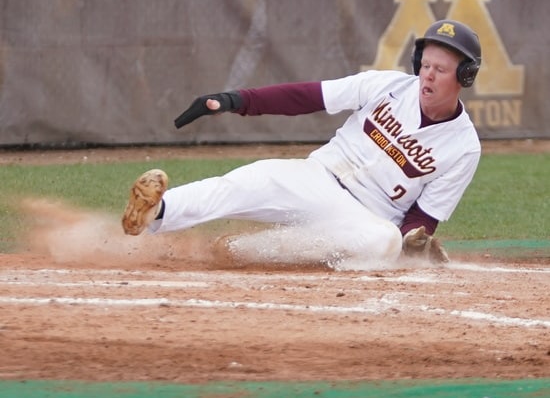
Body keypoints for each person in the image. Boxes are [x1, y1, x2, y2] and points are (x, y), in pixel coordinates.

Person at [122, 19, 482, 267]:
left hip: (364, 220)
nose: (428, 75)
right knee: (249, 180)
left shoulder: (463, 147)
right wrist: (236, 100)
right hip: (317, 177)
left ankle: (243, 250)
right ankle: (158, 210)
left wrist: (410, 241)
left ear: (464, 77)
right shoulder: (386, 86)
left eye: (441, 69)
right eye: (425, 65)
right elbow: (308, 96)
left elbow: (423, 218)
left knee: (384, 242)